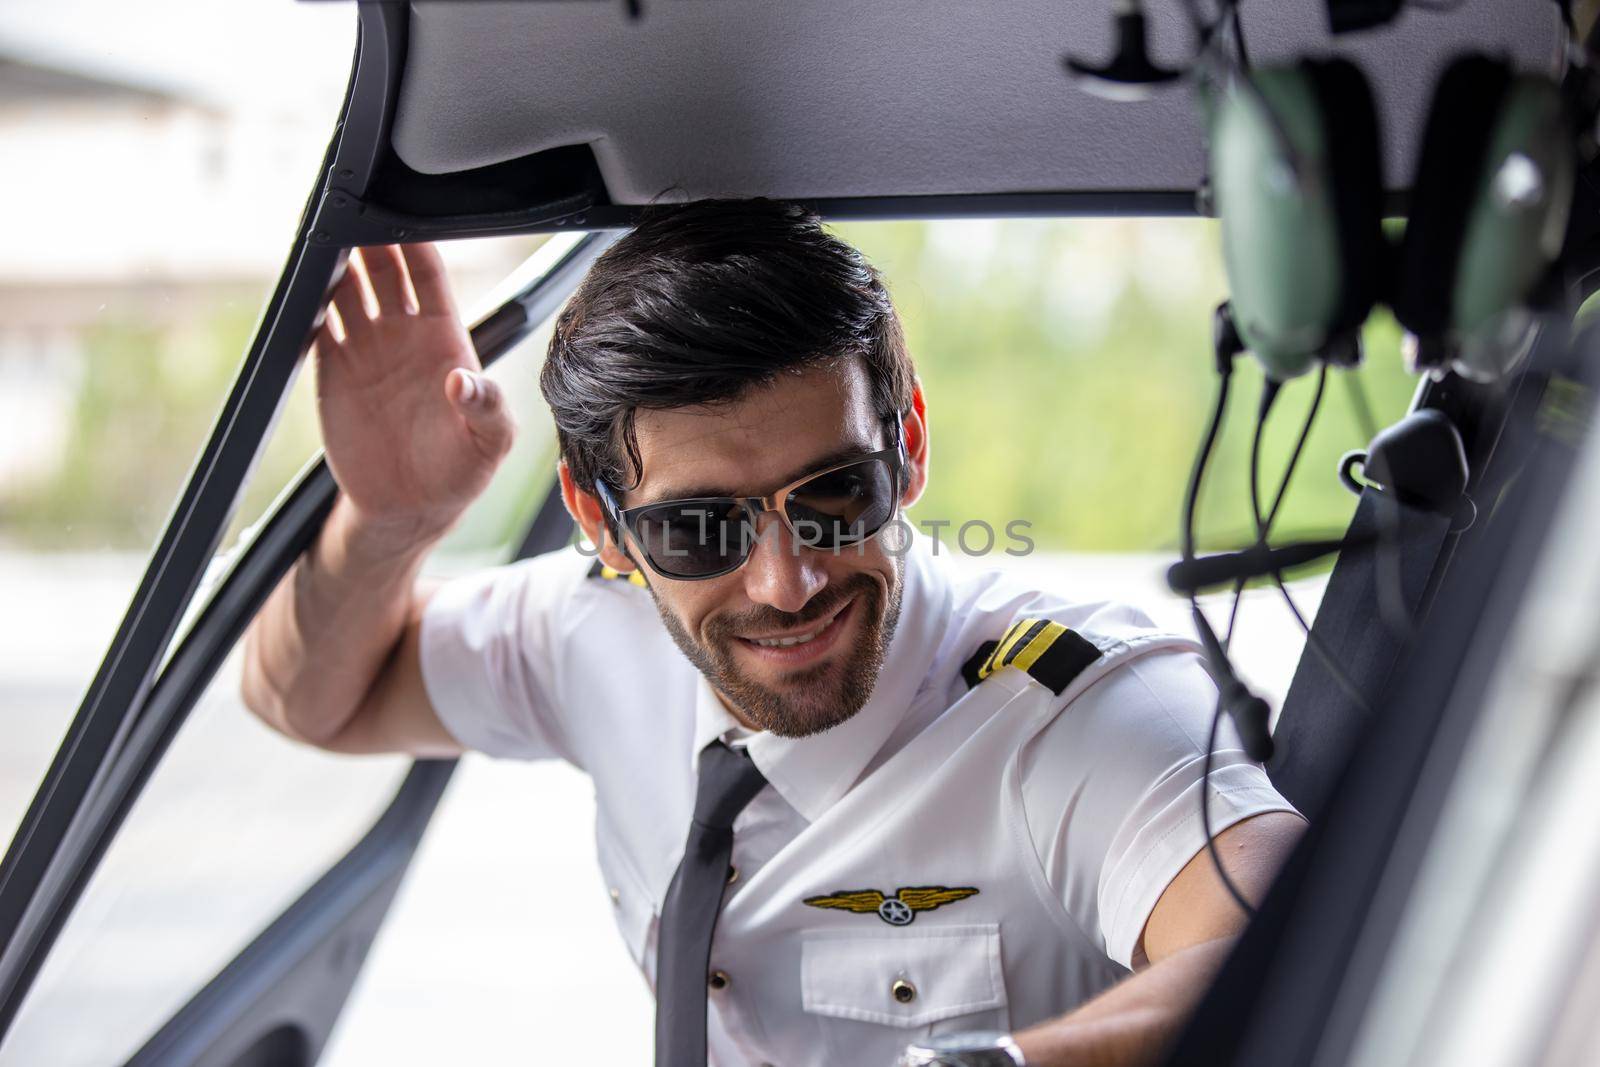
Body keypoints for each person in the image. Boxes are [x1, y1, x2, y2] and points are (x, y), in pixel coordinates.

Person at [240, 199, 1304, 1067]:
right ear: (598, 519)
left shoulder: (1067, 705)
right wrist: (387, 525)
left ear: (910, 444)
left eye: (837, 492)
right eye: (698, 528)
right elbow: (307, 697)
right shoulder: (590, 629)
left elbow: (1294, 930)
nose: (786, 580)